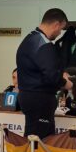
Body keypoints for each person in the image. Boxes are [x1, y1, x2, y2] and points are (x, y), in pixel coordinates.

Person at [16, 9, 69, 138]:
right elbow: (52, 76)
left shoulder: (29, 39)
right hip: (39, 99)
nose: (60, 33)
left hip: (28, 95)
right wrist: (65, 82)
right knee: (40, 141)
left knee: (34, 137)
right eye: (61, 29)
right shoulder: (44, 45)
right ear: (56, 25)